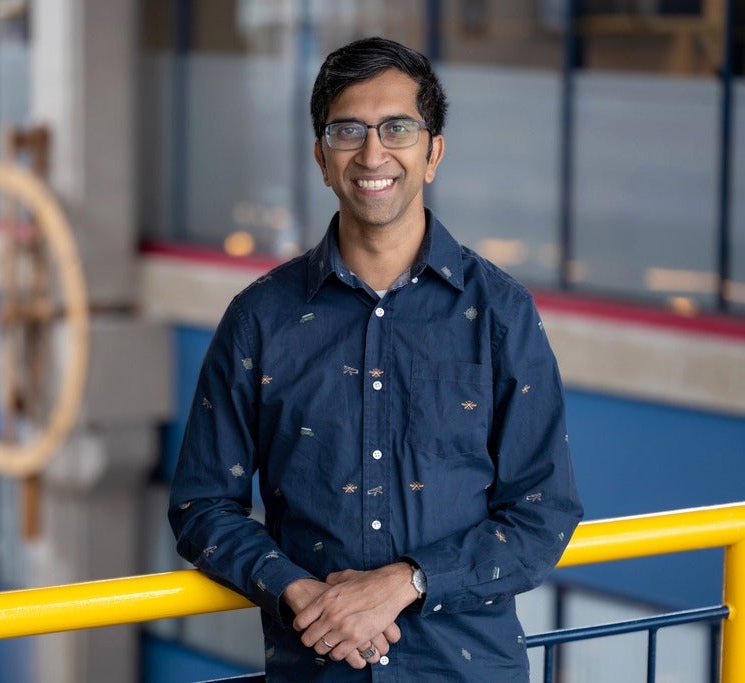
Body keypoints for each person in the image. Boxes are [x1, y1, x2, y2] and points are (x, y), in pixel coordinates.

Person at [168, 36, 583, 682]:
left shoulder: (502, 313)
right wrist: (299, 592)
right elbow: (201, 504)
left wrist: (406, 581)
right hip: (318, 666)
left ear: (432, 151)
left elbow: (542, 511)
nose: (372, 152)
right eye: (347, 131)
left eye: (397, 128)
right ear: (321, 158)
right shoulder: (260, 317)